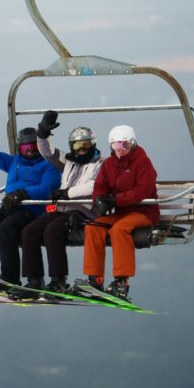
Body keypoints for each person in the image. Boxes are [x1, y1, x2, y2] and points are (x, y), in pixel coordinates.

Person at [0, 115, 61, 293]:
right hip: (8, 207)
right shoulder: (16, 162)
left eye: (33, 146)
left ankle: (10, 278)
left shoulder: (48, 166)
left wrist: (22, 194)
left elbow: (47, 188)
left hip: (31, 210)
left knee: (5, 229)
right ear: (20, 147)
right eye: (25, 147)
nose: (29, 151)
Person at [17, 110, 103, 297]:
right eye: (77, 146)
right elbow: (46, 151)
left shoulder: (100, 164)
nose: (81, 150)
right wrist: (42, 133)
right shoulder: (69, 161)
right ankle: (34, 280)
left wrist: (67, 193)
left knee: (53, 230)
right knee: (29, 231)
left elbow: (94, 185)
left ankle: (58, 281)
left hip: (84, 210)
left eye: (85, 146)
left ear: (92, 145)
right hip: (61, 209)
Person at [81, 125, 160, 301]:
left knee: (119, 229)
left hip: (144, 211)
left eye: (124, 145)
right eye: (116, 146)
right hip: (121, 211)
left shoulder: (143, 162)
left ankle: (121, 281)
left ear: (132, 143)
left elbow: (143, 191)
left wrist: (116, 200)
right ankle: (95, 279)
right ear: (111, 146)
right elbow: (100, 186)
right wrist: (100, 200)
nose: (121, 150)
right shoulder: (109, 164)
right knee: (93, 227)